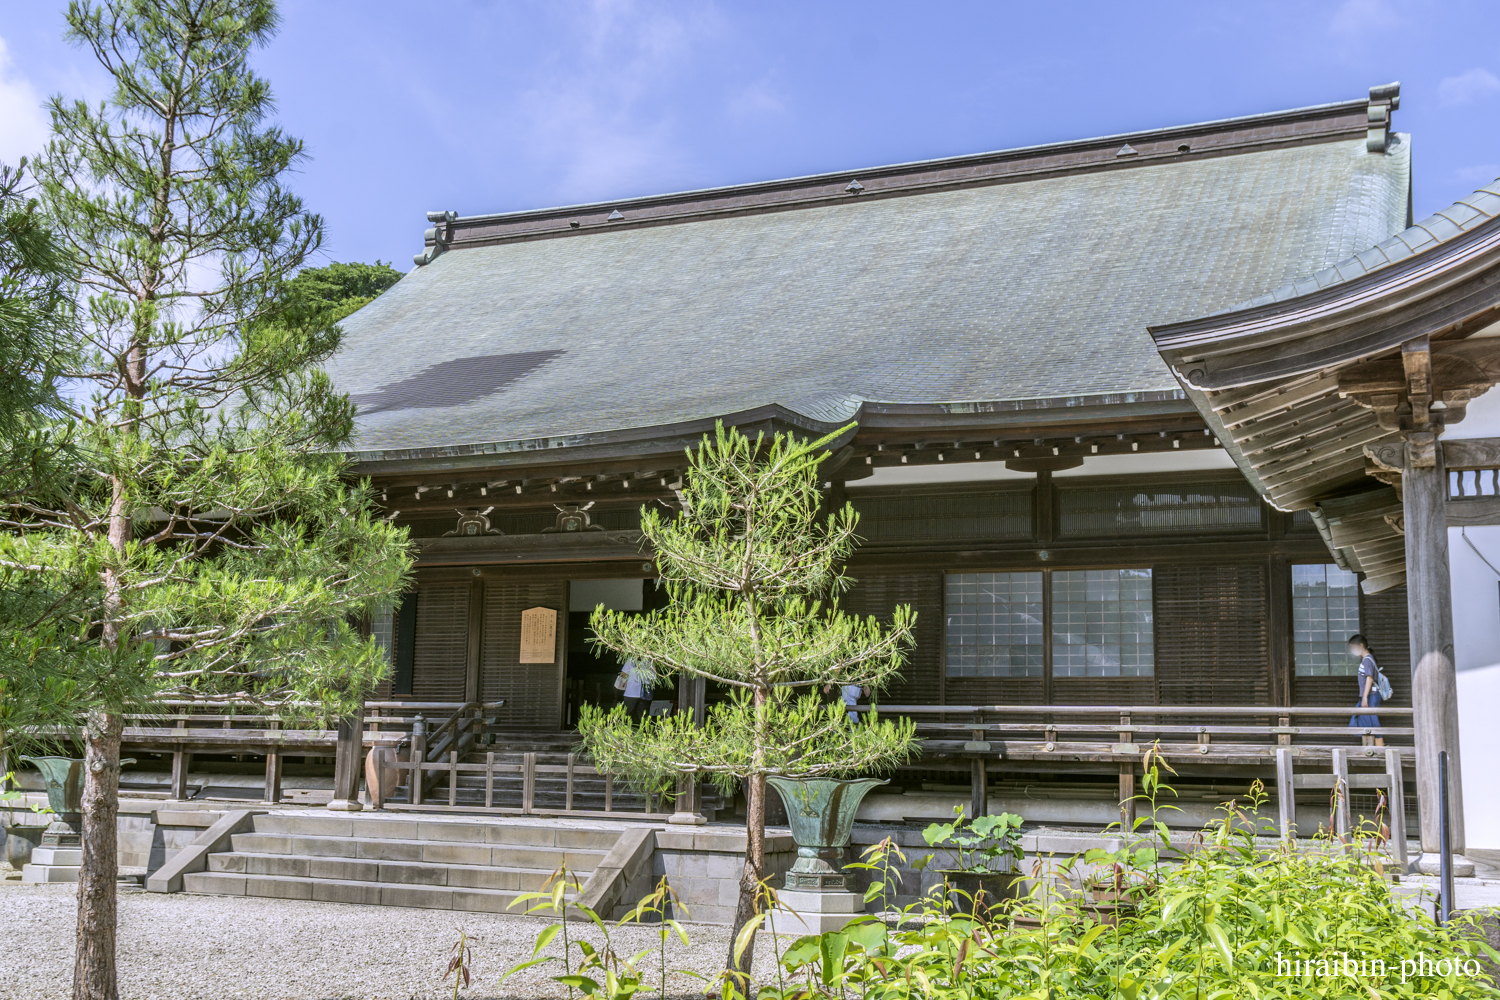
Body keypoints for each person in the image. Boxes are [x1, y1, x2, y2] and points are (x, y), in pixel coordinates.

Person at [1347, 634, 1384, 746]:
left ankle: (1380, 747)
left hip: (1370, 695)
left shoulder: (1367, 660)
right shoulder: (1367, 659)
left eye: (1353, 647)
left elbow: (1369, 678)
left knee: (1372, 721)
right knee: (1367, 720)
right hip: (1370, 695)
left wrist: (1364, 697)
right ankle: (1374, 746)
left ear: (1361, 645)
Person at [621, 658, 654, 722]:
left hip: (636, 692)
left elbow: (624, 674)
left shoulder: (649, 662)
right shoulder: (631, 660)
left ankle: (639, 730)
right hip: (635, 692)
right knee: (639, 715)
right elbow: (623, 674)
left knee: (634, 716)